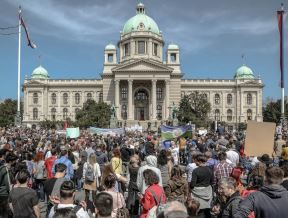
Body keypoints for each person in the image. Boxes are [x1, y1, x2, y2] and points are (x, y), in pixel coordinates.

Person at [190, 153, 213, 218]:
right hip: (207, 192)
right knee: (207, 210)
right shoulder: (210, 170)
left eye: (196, 161)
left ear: (200, 161)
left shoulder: (195, 171)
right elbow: (212, 181)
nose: (195, 162)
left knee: (198, 210)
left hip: (197, 193)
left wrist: (190, 189)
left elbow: (192, 184)